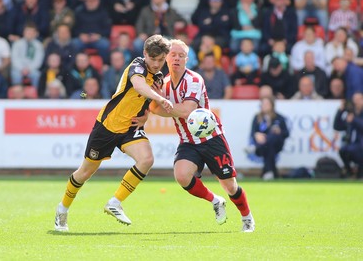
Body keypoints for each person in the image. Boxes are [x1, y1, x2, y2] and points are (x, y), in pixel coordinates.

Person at [54, 34, 173, 232]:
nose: (157, 64)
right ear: (145, 54)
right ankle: (62, 209)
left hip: (130, 128)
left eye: (161, 60)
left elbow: (145, 101)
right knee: (85, 172)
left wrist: (146, 117)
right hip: (107, 126)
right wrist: (160, 99)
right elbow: (139, 86)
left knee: (146, 159)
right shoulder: (137, 66)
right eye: (153, 59)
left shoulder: (159, 76)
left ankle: (115, 203)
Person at [149, 39, 255, 232]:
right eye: (173, 55)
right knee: (181, 176)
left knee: (230, 186)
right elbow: (153, 108)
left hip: (212, 138)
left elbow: (186, 110)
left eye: (181, 55)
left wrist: (161, 105)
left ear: (187, 59)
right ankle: (215, 201)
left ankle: (247, 217)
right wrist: (157, 106)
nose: (177, 59)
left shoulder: (194, 80)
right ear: (166, 58)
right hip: (188, 141)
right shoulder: (163, 84)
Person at [246, 96, 289, 179]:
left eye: (267, 104)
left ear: (272, 105)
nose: (264, 106)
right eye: (263, 104)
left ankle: (256, 148)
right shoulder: (257, 118)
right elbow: (253, 133)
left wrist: (279, 131)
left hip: (276, 145)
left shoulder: (279, 118)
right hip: (263, 145)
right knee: (269, 147)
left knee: (273, 136)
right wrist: (257, 135)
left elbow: (286, 133)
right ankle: (270, 172)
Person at [333, 93, 363, 179]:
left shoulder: (354, 117)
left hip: (360, 146)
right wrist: (340, 111)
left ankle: (360, 173)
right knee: (343, 150)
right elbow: (337, 126)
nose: (356, 102)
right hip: (353, 146)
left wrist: (354, 120)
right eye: (354, 100)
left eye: (359, 99)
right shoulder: (350, 115)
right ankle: (350, 172)